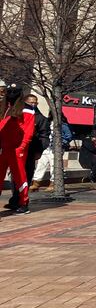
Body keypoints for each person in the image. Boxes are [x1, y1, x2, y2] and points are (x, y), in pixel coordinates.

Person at [0, 84, 36, 214]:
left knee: (19, 177)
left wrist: (22, 147)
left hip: (17, 149)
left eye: (13, 92)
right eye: (9, 92)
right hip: (4, 148)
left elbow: (28, 131)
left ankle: (23, 202)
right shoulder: (4, 109)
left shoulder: (27, 110)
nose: (10, 94)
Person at [22, 94, 50, 193]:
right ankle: (16, 197)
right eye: (31, 102)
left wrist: (39, 151)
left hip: (31, 150)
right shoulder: (19, 114)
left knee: (28, 173)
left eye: (35, 103)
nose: (33, 104)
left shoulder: (40, 118)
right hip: (18, 149)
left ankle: (23, 197)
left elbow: (44, 135)